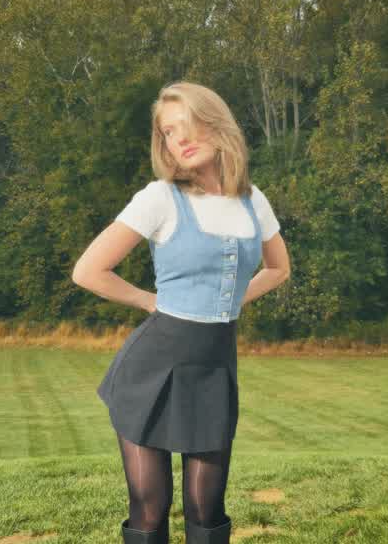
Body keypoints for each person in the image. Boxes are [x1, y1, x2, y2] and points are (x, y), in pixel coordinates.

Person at [71, 81, 291, 544]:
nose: (179, 139)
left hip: (214, 368)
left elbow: (278, 269)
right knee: (150, 508)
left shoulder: (254, 200)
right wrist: (149, 301)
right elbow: (88, 271)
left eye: (187, 124)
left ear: (216, 124)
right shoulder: (160, 198)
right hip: (150, 370)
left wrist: (229, 301)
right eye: (168, 132)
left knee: (207, 510)